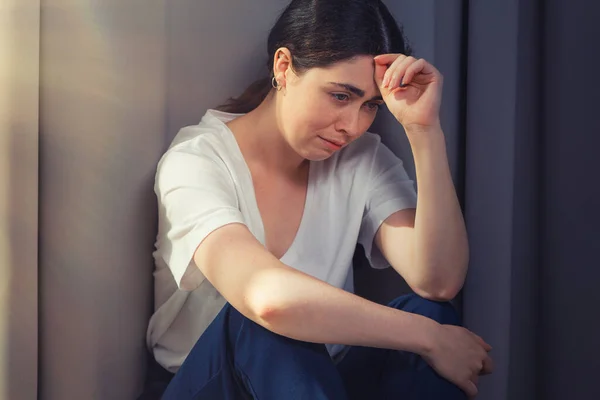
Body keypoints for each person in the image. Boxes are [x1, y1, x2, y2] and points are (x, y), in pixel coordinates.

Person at [144, 0, 494, 399]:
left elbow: (438, 280)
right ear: (283, 67)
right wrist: (430, 337)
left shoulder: (362, 159)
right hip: (213, 385)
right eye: (341, 96)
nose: (352, 126)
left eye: (370, 106)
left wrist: (424, 131)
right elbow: (268, 299)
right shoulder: (196, 161)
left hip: (317, 383)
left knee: (429, 310)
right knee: (264, 322)